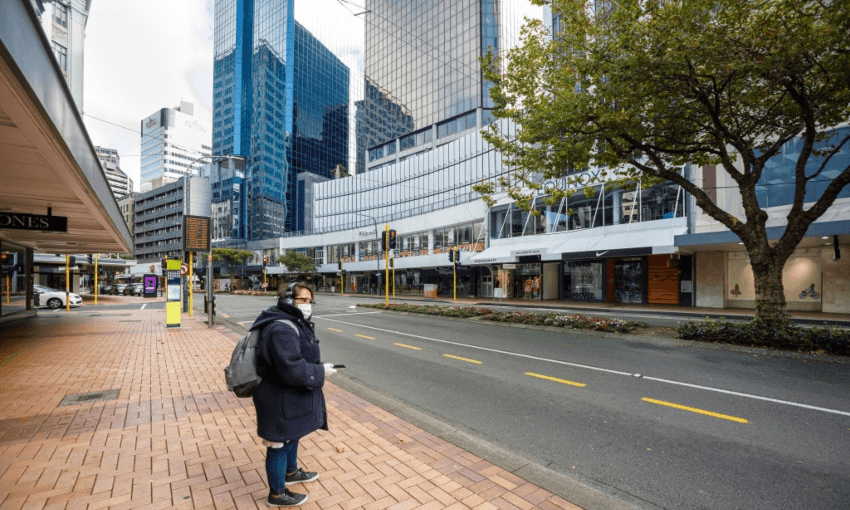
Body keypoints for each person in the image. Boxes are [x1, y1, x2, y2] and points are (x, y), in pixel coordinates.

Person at [249, 281, 337, 507]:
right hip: (276, 395)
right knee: (277, 442)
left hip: (287, 393)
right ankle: (277, 495)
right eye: (303, 301)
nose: (308, 305)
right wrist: (320, 371)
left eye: (310, 301)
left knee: (292, 432)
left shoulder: (292, 321)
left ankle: (291, 472)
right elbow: (291, 368)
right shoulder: (281, 328)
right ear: (289, 301)